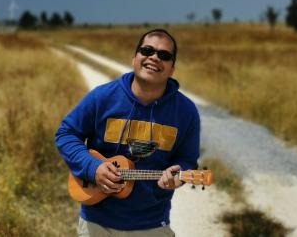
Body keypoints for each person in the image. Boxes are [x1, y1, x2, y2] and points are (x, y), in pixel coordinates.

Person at [55, 28, 200, 236]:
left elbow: (187, 160)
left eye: (164, 55)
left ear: (172, 69)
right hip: (96, 223)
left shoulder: (186, 112)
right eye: (147, 50)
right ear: (134, 58)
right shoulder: (102, 97)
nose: (154, 58)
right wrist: (93, 168)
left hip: (152, 224)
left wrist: (179, 175)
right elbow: (66, 133)